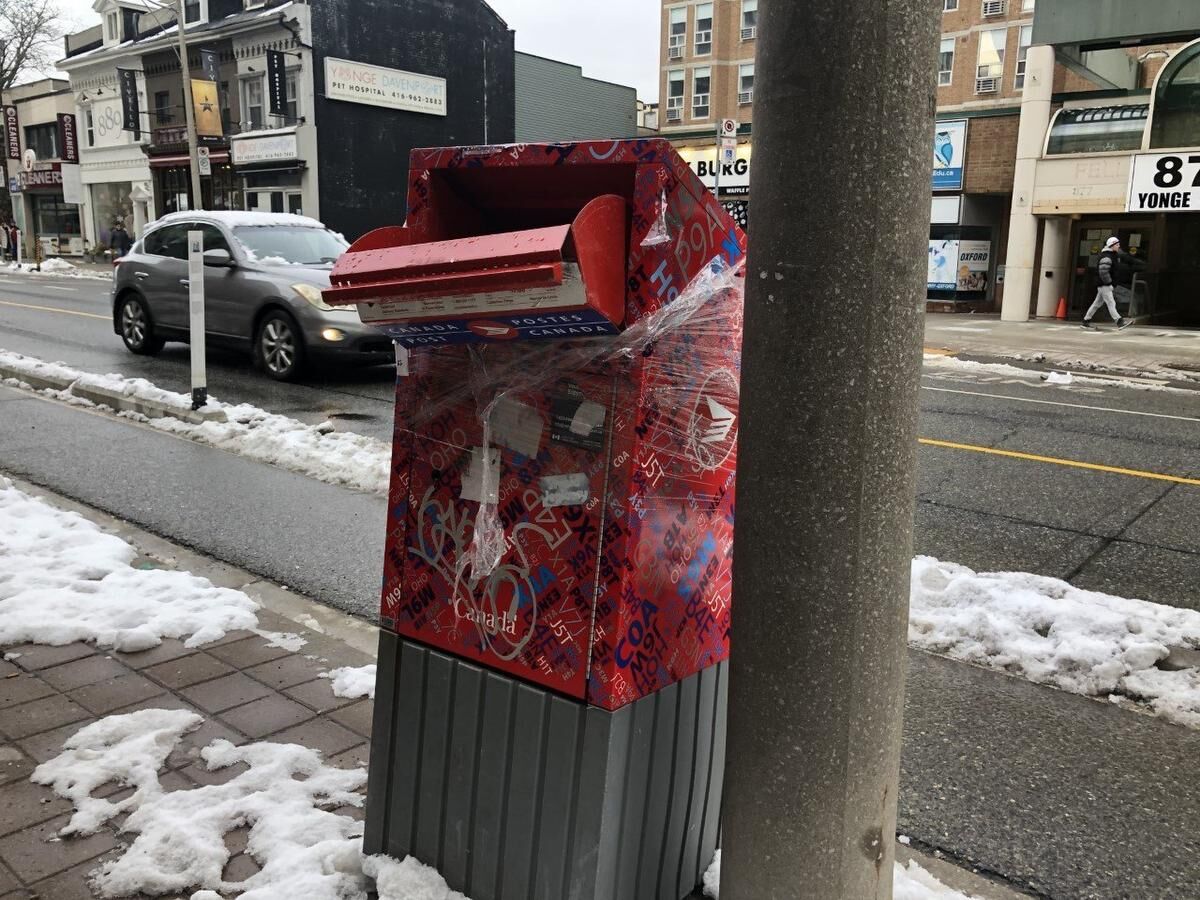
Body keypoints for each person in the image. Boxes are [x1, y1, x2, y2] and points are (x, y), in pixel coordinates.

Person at [1082, 236, 1139, 329]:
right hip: (1105, 285)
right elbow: (1103, 271)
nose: (1118, 246)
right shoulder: (1107, 257)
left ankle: (1086, 320)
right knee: (1111, 303)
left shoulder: (1111, 256)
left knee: (1097, 303)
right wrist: (1109, 283)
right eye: (1117, 245)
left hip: (1103, 284)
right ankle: (1119, 321)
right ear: (1111, 246)